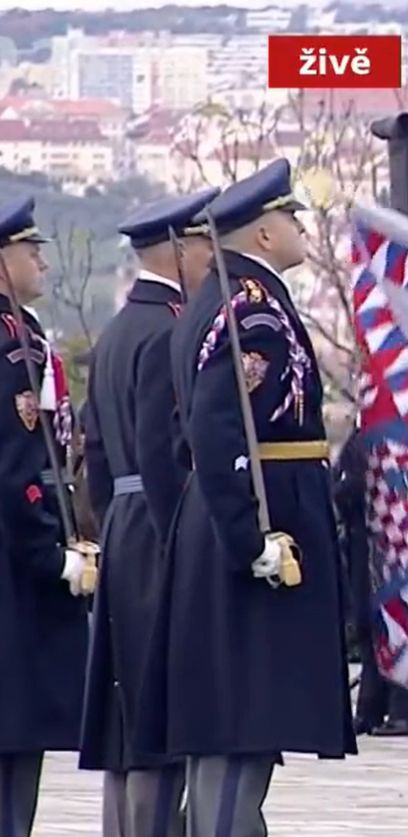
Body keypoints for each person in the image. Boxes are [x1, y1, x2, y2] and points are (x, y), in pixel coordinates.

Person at [151, 159, 356, 836]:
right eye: (291, 217)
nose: (301, 227)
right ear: (264, 234)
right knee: (240, 725)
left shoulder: (224, 299)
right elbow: (215, 427)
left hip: (237, 520)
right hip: (259, 527)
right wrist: (250, 540)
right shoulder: (251, 310)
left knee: (237, 727)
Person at [80, 187, 219, 837]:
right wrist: (175, 537)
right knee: (160, 707)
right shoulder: (169, 329)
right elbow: (166, 450)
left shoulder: (115, 333)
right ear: (181, 249)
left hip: (124, 525)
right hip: (161, 524)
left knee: (131, 711)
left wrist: (115, 524)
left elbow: (96, 453)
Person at [0, 196, 91, 836]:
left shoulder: (23, 334)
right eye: (28, 250)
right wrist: (50, 550)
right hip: (12, 561)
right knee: (13, 732)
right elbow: (16, 464)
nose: (40, 260)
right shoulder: (10, 348)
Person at [333, 424, 408, 737]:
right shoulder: (373, 431)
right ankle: (371, 708)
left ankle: (402, 711)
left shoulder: (394, 432)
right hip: (369, 537)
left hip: (388, 542)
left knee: (395, 624)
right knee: (370, 626)